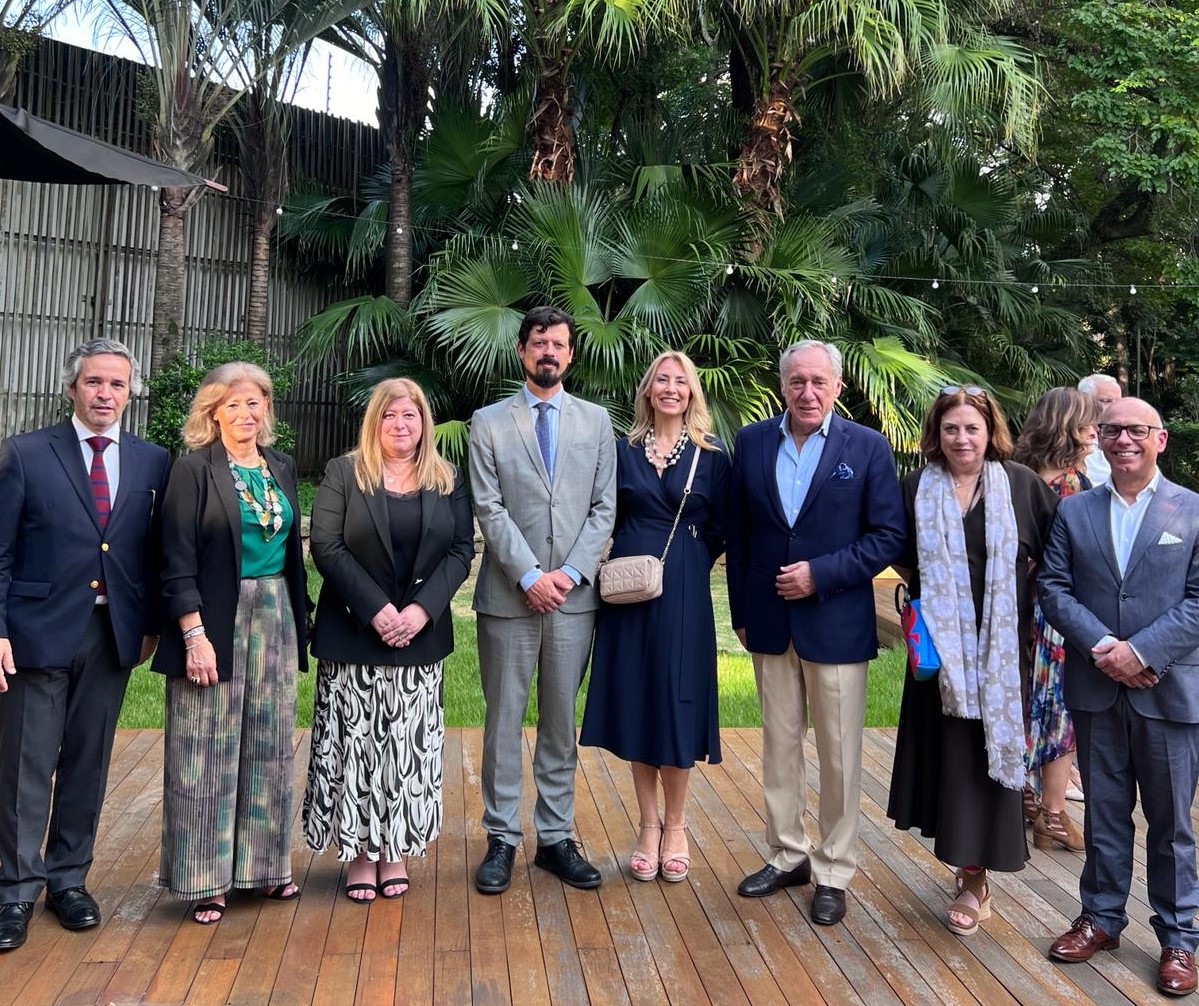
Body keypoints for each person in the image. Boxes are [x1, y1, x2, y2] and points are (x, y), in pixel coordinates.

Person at [726, 341, 904, 926]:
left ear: (838, 386)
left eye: (818, 382)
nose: (807, 392)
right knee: (778, 746)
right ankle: (787, 854)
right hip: (770, 623)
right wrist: (741, 613)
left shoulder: (868, 448)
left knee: (839, 754)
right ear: (783, 385)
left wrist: (819, 575)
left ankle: (833, 869)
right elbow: (741, 535)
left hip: (835, 622)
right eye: (797, 381)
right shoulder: (752, 442)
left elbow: (886, 537)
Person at [0, 340, 170, 951]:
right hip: (35, 633)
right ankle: (16, 889)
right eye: (94, 382)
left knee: (88, 762)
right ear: (72, 388)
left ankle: (69, 879)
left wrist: (151, 620)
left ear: (130, 393)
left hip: (112, 634)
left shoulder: (154, 461)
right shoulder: (24, 454)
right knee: (25, 764)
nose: (105, 395)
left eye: (117, 385)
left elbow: (153, 554)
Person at [1039, 398, 1199, 997]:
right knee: (1104, 813)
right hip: (1098, 688)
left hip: (1171, 691)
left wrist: (1141, 652)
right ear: (1097, 440)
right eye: (1112, 430)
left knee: (1171, 823)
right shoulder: (1075, 511)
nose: (1124, 439)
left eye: (1136, 430)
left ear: (1159, 439)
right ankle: (1101, 918)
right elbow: (1053, 587)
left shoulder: (1193, 510)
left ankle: (1179, 936)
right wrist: (1107, 646)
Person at [887, 386, 1057, 937]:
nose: (962, 438)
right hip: (939, 658)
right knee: (950, 762)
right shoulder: (915, 488)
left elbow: (1055, 561)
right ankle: (964, 866)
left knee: (984, 765)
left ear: (991, 433)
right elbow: (902, 559)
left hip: (1003, 658)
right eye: (951, 428)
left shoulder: (1023, 487)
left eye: (972, 428)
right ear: (936, 435)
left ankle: (974, 880)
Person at [303, 378, 474, 903]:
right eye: (390, 416)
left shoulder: (447, 477)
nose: (401, 425)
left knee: (406, 747)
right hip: (355, 632)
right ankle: (357, 853)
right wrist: (376, 609)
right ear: (374, 422)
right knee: (355, 746)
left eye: (411, 415)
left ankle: (394, 849)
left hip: (419, 638)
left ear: (424, 422)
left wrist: (422, 610)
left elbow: (461, 550)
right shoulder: (343, 472)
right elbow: (327, 546)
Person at [154, 362, 309, 925]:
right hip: (213, 619)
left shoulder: (281, 468)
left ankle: (265, 869)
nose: (247, 414)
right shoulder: (193, 471)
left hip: (276, 614)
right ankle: (207, 879)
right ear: (213, 410)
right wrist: (194, 636)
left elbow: (291, 554)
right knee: (206, 748)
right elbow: (175, 561)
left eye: (256, 403)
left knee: (270, 744)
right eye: (235, 404)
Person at [469, 305, 617, 894]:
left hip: (573, 602)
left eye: (558, 343)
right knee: (504, 720)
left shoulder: (596, 421)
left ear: (571, 353)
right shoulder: (489, 421)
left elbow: (605, 507)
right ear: (522, 351)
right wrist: (530, 573)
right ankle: (501, 837)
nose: (548, 352)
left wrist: (571, 574)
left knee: (560, 720)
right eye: (538, 343)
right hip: (509, 597)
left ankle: (555, 838)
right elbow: (488, 505)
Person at [580, 351, 730, 882]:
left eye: (681, 381)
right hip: (627, 592)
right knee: (637, 699)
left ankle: (678, 825)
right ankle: (647, 826)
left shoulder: (711, 458)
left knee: (678, 698)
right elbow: (604, 514)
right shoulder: (621, 453)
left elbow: (723, 526)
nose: (671, 388)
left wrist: (690, 559)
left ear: (692, 393)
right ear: (647, 391)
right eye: (661, 380)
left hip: (684, 590)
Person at [1012, 387, 1101, 851]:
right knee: (1047, 707)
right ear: (1064, 424)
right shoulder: (1064, 484)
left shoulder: (1020, 476)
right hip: (1037, 613)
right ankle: (1048, 812)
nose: (1094, 432)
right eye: (1088, 423)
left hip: (1045, 613)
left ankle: (1044, 808)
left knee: (1046, 705)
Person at [1077, 374, 1122, 486]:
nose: (1115, 406)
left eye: (1118, 401)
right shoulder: (1070, 441)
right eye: (1106, 401)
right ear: (1084, 402)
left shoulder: (1129, 438)